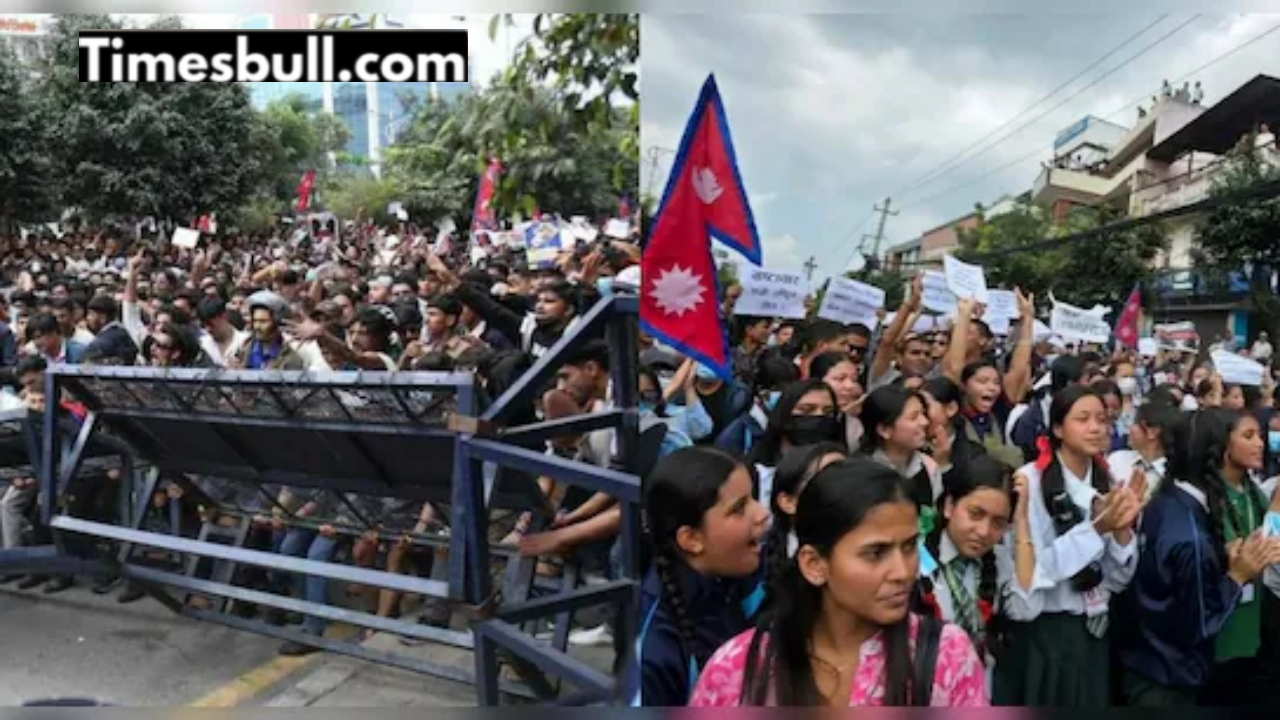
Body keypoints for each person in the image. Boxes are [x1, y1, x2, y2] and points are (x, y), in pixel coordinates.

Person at [689, 457, 988, 706]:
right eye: (876, 553)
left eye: (909, 547)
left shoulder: (946, 657)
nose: (902, 572)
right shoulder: (738, 669)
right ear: (814, 564)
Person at [992, 385, 1144, 706]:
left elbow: (1117, 580)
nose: (1096, 428)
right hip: (1046, 631)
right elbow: (1035, 570)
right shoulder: (1029, 481)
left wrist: (1122, 531)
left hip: (1095, 630)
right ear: (1058, 428)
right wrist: (1097, 528)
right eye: (1083, 419)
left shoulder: (1109, 480)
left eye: (1102, 419)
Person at [1116, 409, 1280, 706]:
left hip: (1154, 658)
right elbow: (1200, 623)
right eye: (1247, 436)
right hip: (1174, 672)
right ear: (1220, 453)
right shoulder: (1192, 534)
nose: (1260, 443)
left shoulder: (1169, 501)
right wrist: (1237, 575)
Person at [637, 446, 770, 706]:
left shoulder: (747, 574)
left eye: (753, 497)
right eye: (739, 508)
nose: (762, 513)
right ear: (691, 539)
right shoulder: (654, 644)